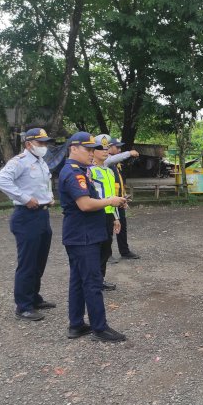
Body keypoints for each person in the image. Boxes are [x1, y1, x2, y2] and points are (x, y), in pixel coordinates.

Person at [58, 131, 127, 342]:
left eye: (92, 149)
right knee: (92, 281)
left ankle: (76, 324)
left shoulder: (82, 170)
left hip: (81, 234)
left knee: (78, 280)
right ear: (73, 149)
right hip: (83, 236)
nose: (91, 153)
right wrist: (110, 201)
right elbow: (85, 204)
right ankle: (99, 328)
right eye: (87, 149)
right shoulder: (74, 173)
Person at [0, 127, 56, 321]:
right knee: (27, 263)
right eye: (40, 143)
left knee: (39, 261)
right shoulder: (20, 162)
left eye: (45, 143)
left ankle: (34, 298)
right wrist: (24, 198)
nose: (44, 146)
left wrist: (50, 196)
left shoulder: (41, 162)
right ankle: (23, 306)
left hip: (42, 215)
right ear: (29, 144)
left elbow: (46, 183)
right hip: (26, 216)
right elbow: (1, 180)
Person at [90, 134, 121, 290]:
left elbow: (112, 197)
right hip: (96, 215)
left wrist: (116, 217)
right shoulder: (89, 171)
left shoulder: (109, 171)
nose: (105, 151)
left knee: (106, 249)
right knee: (95, 249)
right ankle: (93, 280)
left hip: (109, 215)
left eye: (107, 148)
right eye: (101, 148)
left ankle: (100, 280)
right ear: (93, 151)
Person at [105, 138, 140, 260]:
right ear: (109, 147)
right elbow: (112, 159)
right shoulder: (106, 161)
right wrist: (129, 153)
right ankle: (107, 254)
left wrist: (123, 196)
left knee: (122, 227)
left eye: (120, 148)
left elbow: (118, 182)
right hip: (109, 202)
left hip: (119, 200)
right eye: (117, 147)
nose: (119, 150)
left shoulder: (116, 164)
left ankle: (124, 251)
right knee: (108, 228)